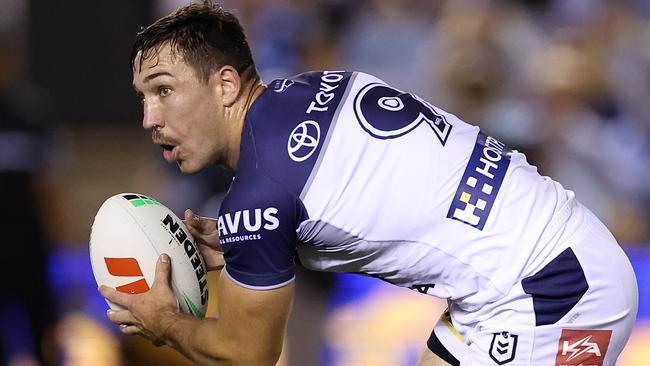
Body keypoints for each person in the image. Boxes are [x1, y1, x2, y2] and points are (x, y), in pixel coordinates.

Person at [99, 2, 638, 365]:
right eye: (143, 97)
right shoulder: (316, 87)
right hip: (556, 259)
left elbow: (248, 353)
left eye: (164, 90)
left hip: (551, 297)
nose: (149, 117)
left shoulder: (259, 196)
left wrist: (165, 321)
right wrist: (262, 241)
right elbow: (361, 197)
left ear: (225, 84)